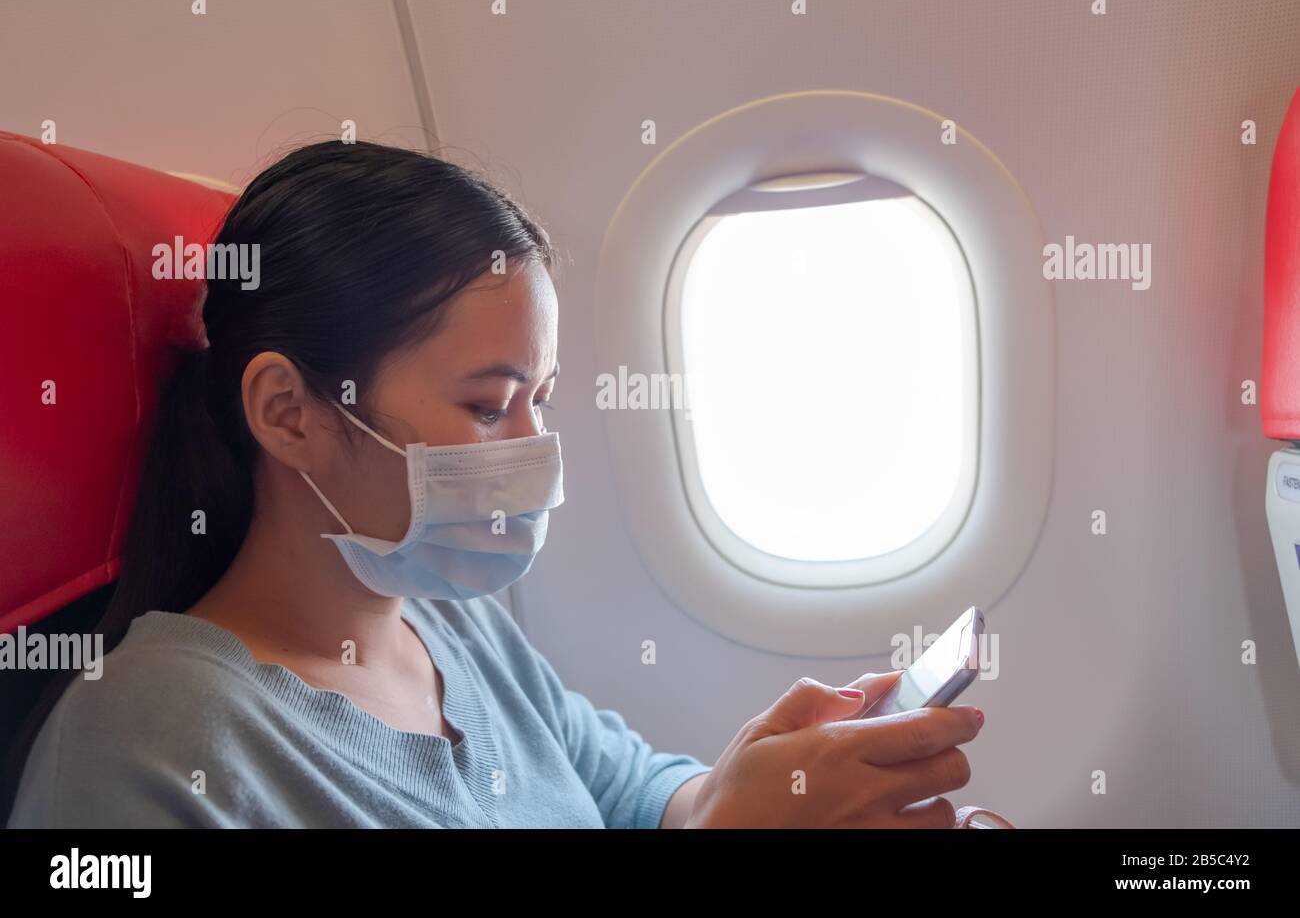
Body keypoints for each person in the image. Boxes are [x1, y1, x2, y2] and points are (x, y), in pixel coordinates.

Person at [5, 141, 985, 828]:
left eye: (540, 400)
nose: (535, 453)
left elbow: (631, 792)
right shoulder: (148, 738)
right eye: (486, 406)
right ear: (289, 413)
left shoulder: (447, 625)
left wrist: (751, 781)